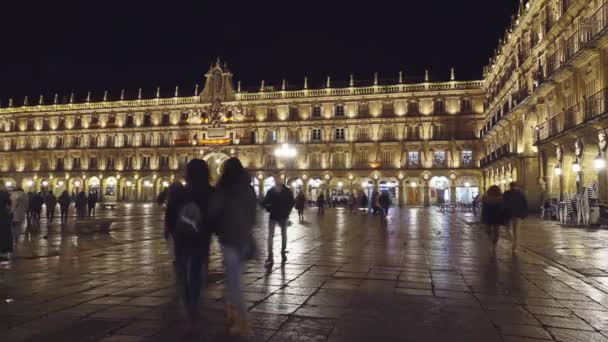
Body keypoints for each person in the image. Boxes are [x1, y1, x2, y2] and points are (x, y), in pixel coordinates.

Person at [164, 159, 214, 336]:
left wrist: (171, 232)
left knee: (183, 277)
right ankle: (194, 315)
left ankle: (190, 314)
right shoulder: (210, 193)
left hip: (182, 241)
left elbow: (170, 216)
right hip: (201, 241)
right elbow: (215, 217)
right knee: (195, 277)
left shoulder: (181, 193)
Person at [209, 158, 256, 336]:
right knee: (232, 277)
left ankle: (243, 323)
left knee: (234, 281)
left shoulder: (225, 189)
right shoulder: (249, 189)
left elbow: (214, 211)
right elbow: (253, 214)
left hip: (229, 239)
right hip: (244, 239)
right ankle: (231, 310)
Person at [262, 174, 294, 265]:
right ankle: (270, 254)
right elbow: (265, 202)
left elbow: (291, 202)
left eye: (278, 179)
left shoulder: (286, 191)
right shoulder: (272, 191)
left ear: (281, 180)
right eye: (275, 179)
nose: (277, 180)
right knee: (271, 235)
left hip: (283, 215)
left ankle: (283, 250)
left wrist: (287, 212)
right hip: (275, 215)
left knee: (283, 234)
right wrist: (269, 208)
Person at [503, 182, 528, 253]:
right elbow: (525, 205)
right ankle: (514, 246)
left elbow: (524, 204)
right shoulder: (520, 194)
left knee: (509, 230)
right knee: (514, 231)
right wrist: (524, 214)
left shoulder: (508, 193)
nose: (513, 188)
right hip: (514, 215)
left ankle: (514, 245)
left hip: (511, 215)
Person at [482, 185, 505, 257]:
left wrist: (483, 218)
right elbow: (502, 209)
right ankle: (494, 245)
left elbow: (484, 210)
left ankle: (490, 243)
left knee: (488, 231)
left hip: (488, 217)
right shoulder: (500, 199)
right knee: (496, 232)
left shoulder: (486, 199)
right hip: (497, 218)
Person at [0, 182, 13, 260]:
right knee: (4, 234)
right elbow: (10, 204)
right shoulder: (5, 194)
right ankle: (2, 252)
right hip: (3, 216)